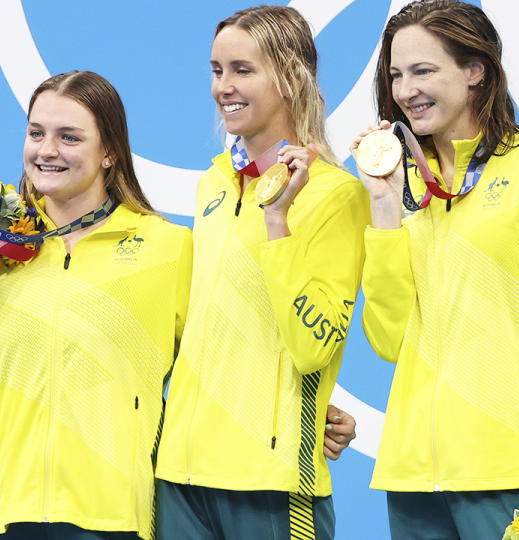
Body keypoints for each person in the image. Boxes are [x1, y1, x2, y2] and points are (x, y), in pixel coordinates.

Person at [351, 2, 519, 539]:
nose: (405, 91)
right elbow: (386, 339)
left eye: (424, 71)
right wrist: (383, 207)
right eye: (396, 75)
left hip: (512, 477)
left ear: (476, 71)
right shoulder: (406, 190)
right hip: (411, 481)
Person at [0, 71, 192, 540]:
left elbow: (210, 369)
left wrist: (310, 410)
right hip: (7, 519)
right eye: (36, 133)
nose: (46, 150)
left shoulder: (168, 248)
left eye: (69, 137)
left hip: (115, 522)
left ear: (109, 152)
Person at [154, 6, 370, 539]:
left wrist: (278, 220)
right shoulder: (214, 185)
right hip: (179, 474)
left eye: (243, 70)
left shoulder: (335, 195)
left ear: (292, 78)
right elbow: (211, 329)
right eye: (216, 69)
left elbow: (314, 345)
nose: (223, 86)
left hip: (270, 481)